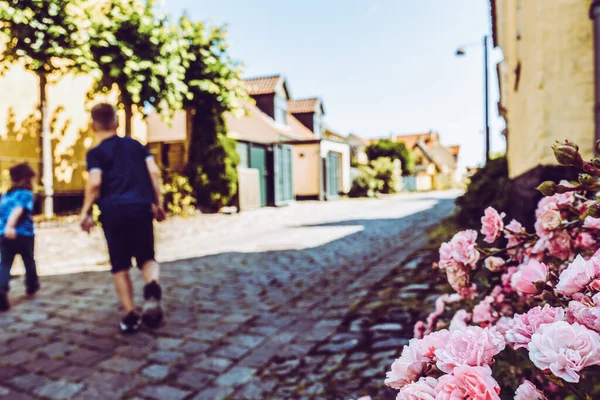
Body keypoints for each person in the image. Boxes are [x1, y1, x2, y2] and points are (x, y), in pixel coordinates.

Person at [81, 103, 167, 334]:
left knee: (119, 265)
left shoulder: (96, 153)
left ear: (92, 126)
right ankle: (151, 285)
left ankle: (130, 315)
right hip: (140, 207)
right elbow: (154, 172)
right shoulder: (136, 146)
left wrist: (86, 211)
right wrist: (157, 202)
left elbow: (95, 182)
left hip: (112, 211)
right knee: (147, 256)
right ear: (117, 123)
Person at [0, 163, 40, 311]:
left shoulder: (6, 195)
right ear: (27, 179)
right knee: (29, 261)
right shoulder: (26, 194)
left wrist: (5, 228)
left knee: (4, 264)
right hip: (23, 234)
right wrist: (11, 225)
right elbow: (18, 209)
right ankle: (32, 285)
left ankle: (1, 288)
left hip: (4, 235)